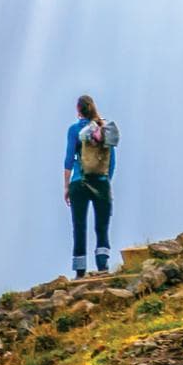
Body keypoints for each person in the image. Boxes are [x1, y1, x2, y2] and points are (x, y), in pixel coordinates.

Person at [65, 92, 115, 276]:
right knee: (101, 225)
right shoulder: (103, 128)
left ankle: (80, 270)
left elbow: (69, 159)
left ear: (78, 110)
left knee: (79, 226)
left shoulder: (74, 130)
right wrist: (105, 181)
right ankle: (103, 265)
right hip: (100, 182)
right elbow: (112, 160)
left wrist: (66, 186)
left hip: (79, 182)